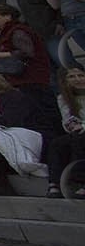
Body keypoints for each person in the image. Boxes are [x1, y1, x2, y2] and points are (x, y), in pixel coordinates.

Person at [0, 3, 54, 97]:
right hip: (17, 78)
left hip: (33, 77)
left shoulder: (17, 31)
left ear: (7, 16)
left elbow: (26, 52)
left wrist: (1, 55)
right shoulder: (4, 32)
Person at [46, 67, 85, 198]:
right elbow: (66, 120)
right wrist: (73, 125)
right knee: (57, 143)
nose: (77, 79)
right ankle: (55, 184)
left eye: (80, 75)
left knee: (79, 139)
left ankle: (79, 182)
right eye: (72, 77)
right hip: (78, 132)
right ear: (65, 81)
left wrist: (82, 125)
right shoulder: (63, 98)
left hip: (82, 131)